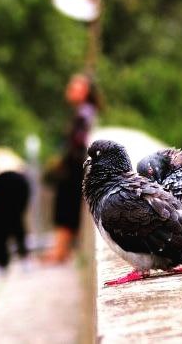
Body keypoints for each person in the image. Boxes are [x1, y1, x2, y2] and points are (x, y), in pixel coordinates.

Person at [43, 73, 101, 263]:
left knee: (66, 207)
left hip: (74, 168)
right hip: (75, 166)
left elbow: (78, 144)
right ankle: (60, 250)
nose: (69, 90)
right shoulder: (85, 111)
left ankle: (60, 251)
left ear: (85, 91)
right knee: (67, 207)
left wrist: (61, 160)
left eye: (74, 87)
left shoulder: (84, 113)